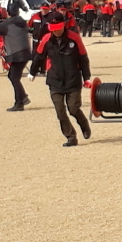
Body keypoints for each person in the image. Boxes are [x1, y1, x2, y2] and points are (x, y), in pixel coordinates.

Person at [29, 13, 92, 147]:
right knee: (60, 111)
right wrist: (32, 72)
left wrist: (87, 77)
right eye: (53, 28)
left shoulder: (74, 38)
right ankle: (71, 137)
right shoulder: (46, 39)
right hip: (55, 80)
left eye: (58, 27)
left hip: (72, 79)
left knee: (74, 109)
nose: (56, 31)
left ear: (63, 25)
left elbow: (83, 58)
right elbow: (38, 56)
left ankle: (84, 124)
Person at [28, 4, 51, 75]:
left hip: (45, 40)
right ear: (40, 8)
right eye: (43, 9)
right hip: (36, 39)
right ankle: (35, 70)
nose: (44, 10)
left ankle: (43, 70)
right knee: (35, 55)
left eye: (46, 9)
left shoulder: (51, 17)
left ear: (49, 9)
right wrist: (32, 32)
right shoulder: (35, 16)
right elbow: (29, 25)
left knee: (44, 55)